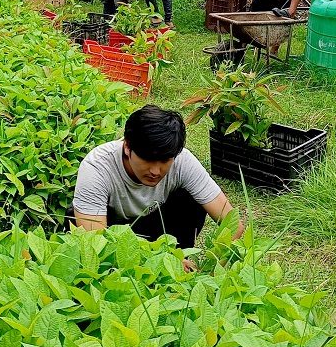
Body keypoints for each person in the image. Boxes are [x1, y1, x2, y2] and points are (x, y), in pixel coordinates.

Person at [72, 106, 245, 253]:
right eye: (147, 159)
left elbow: (233, 225)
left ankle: (180, 257)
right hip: (111, 233)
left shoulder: (182, 160)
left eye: (164, 161)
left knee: (191, 201)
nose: (155, 171)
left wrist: (212, 269)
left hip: (152, 230)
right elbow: (96, 246)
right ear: (127, 147)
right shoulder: (97, 168)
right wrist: (160, 258)